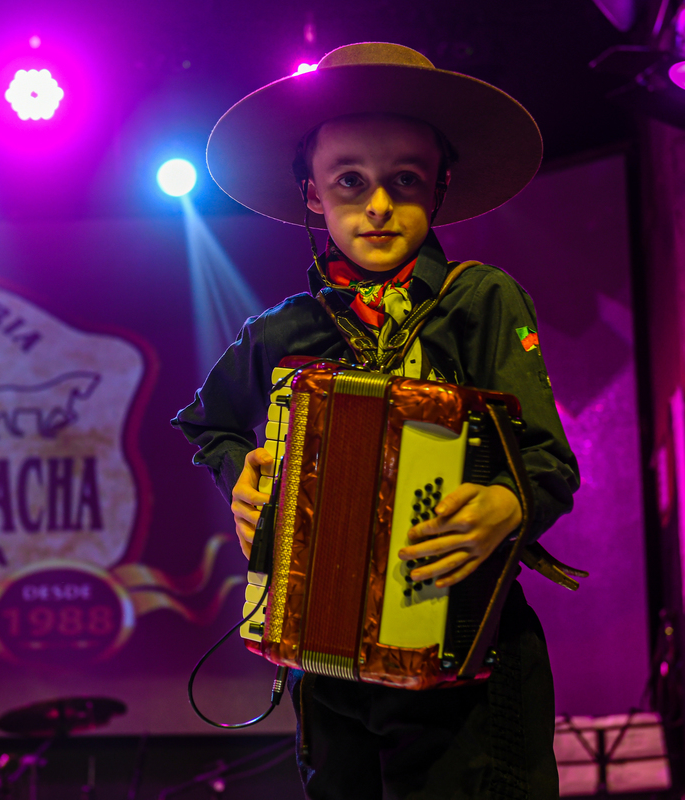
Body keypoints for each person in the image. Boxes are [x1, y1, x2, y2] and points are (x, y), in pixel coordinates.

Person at [172, 43, 581, 799]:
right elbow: (210, 425)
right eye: (351, 182)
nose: (380, 206)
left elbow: (551, 462)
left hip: (468, 659)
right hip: (326, 666)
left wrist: (509, 501)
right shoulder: (281, 333)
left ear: (441, 188)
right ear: (313, 196)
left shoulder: (480, 299)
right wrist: (246, 476)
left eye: (406, 181)